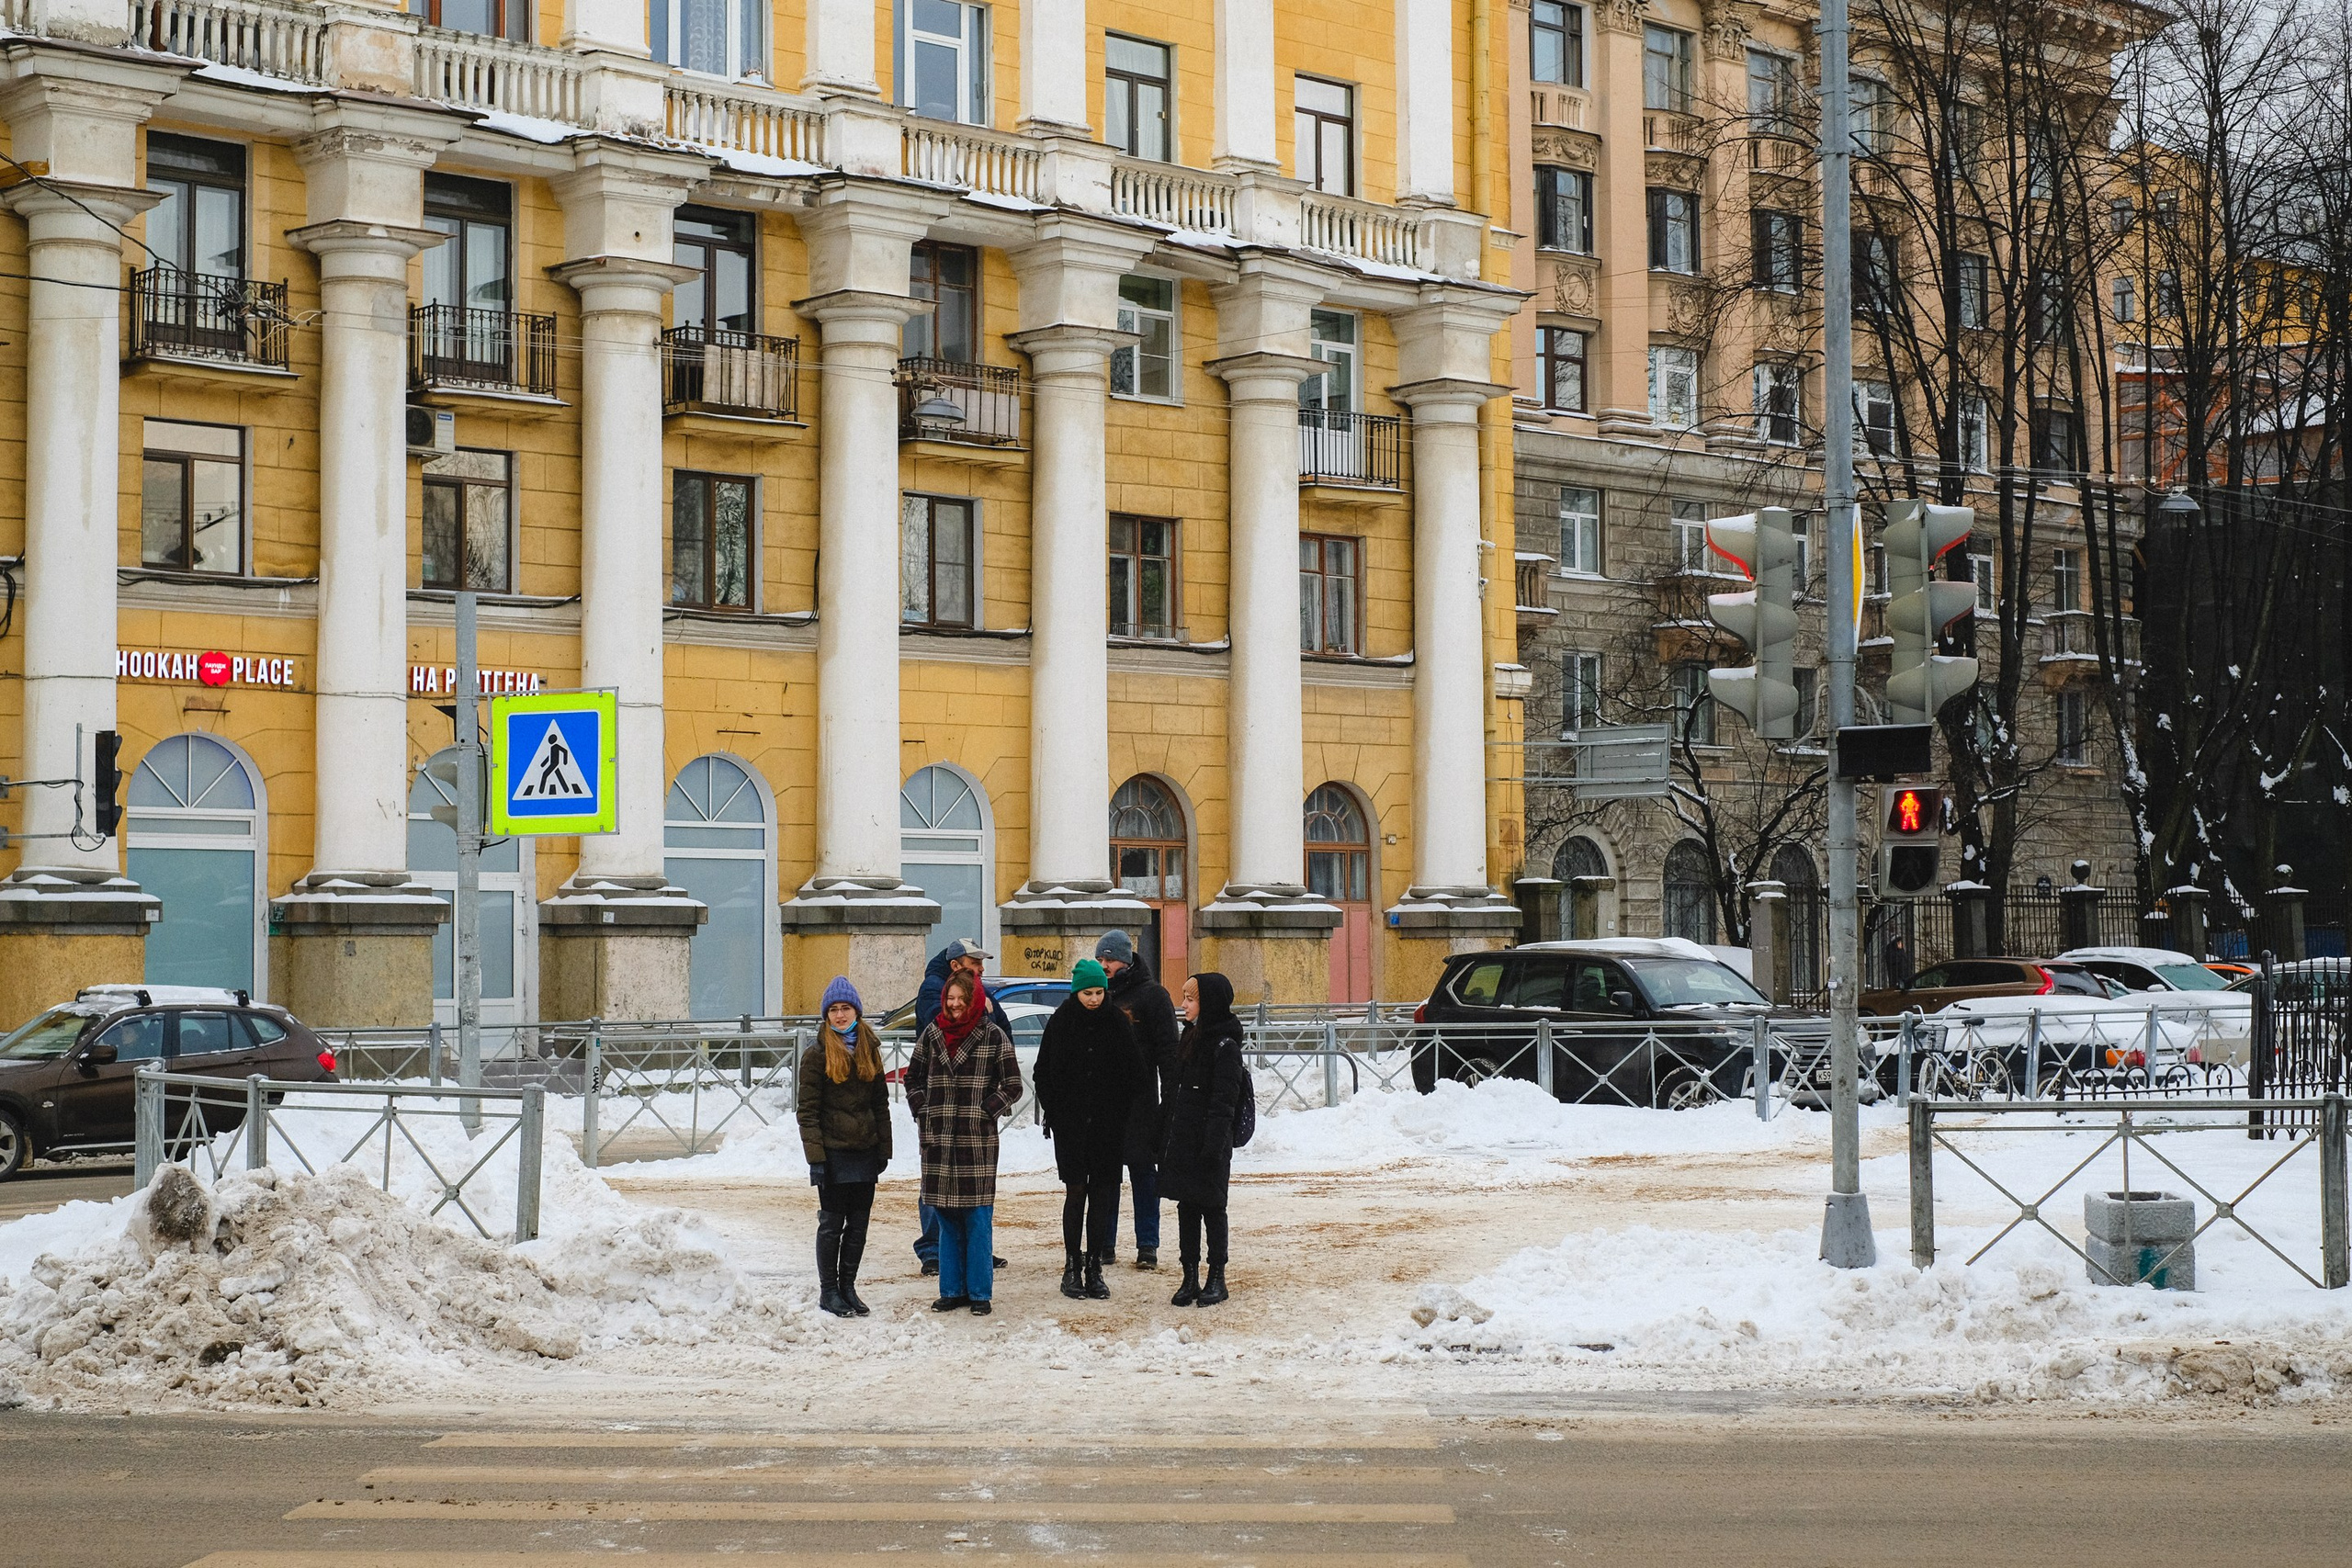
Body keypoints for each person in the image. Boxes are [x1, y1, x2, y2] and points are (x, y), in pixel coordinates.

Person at [903, 969, 1022, 1315]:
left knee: (978, 1220)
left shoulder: (993, 1035)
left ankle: (980, 1293)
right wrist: (923, 1108)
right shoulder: (932, 1033)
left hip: (976, 1142)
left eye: (961, 999)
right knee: (946, 1219)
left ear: (973, 1001)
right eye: (950, 998)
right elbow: (912, 1077)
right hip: (938, 1140)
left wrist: (985, 1111)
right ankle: (952, 1290)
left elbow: (1013, 1084)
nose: (955, 1005)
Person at [1033, 958, 1140, 1301]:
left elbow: (1134, 1073)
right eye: (1087, 993)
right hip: (1072, 1127)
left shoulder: (1117, 1021)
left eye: (1098, 992)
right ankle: (1071, 1267)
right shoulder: (1061, 1021)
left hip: (1108, 1127)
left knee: (1103, 1195)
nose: (1094, 999)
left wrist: (1120, 1112)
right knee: (1076, 1192)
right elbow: (1042, 1072)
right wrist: (1057, 1111)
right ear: (1076, 992)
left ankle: (1094, 1267)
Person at [797, 976, 890, 1318]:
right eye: (833, 1009)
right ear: (826, 1015)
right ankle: (829, 1291)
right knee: (832, 1225)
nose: (839, 1015)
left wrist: (884, 1149)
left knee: (859, 1224)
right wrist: (816, 1160)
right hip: (833, 1153)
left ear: (856, 1012)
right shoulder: (816, 1054)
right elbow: (807, 1112)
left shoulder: (870, 1049)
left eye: (845, 1008)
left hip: (865, 1150)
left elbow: (880, 1104)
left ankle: (848, 1286)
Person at [1159, 971, 1247, 1307]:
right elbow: (1175, 1093)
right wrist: (1163, 1132)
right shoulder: (1190, 1037)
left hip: (1210, 1145)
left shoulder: (1225, 1047)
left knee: (1213, 1209)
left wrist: (1213, 1147)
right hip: (1183, 1140)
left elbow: (1224, 1103)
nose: (1183, 1004)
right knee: (1187, 1208)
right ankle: (1190, 1276)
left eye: (1190, 999)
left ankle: (1216, 1277)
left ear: (1208, 1003)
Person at [1096, 929, 1179, 1269]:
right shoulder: (1098, 994)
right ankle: (1104, 1244)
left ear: (1126, 960)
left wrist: (1170, 1101)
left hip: (1141, 1104)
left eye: (1109, 959)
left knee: (1144, 1174)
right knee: (1105, 1176)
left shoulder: (1153, 995)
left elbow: (1168, 1053)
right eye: (1100, 959)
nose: (1104, 965)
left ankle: (1147, 1245)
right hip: (1104, 1105)